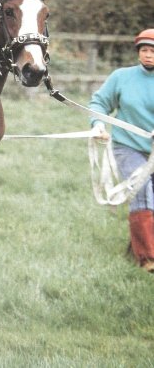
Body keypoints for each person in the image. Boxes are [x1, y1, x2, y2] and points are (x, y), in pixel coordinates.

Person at [89, 29, 154, 272]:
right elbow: (99, 103)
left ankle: (140, 244)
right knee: (141, 191)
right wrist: (98, 125)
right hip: (128, 147)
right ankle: (147, 258)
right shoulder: (121, 77)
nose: (148, 55)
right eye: (145, 50)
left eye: (153, 51)